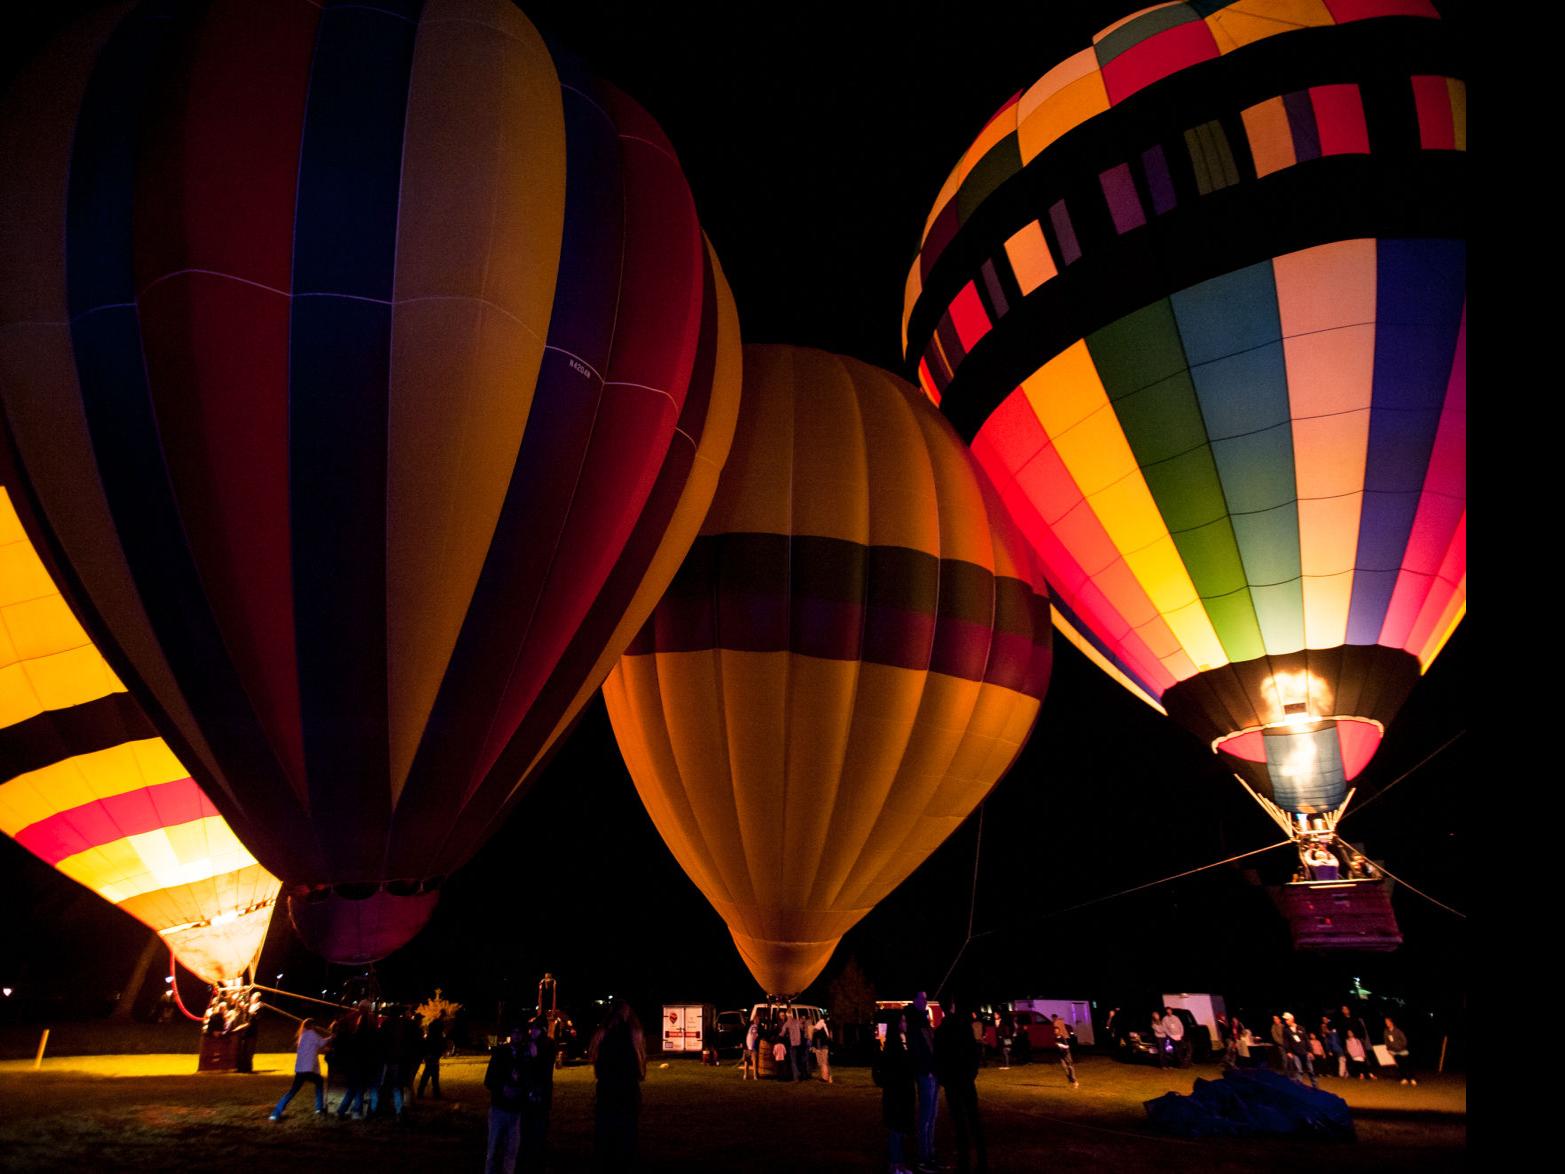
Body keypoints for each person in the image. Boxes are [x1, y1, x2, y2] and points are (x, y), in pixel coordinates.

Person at [589, 1000, 646, 1171]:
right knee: (624, 1133)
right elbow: (638, 1067)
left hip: (610, 1090)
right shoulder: (630, 1033)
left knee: (608, 1132)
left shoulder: (605, 1033)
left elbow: (597, 1062)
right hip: (622, 1090)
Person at [934, 1000, 987, 1174]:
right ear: (953, 1008)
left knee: (959, 1122)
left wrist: (944, 1079)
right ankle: (981, 1158)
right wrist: (971, 1074)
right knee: (973, 1119)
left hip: (953, 1083)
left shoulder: (941, 1031)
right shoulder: (963, 1028)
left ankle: (964, 1159)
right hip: (964, 1081)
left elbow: (938, 1059)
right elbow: (974, 1052)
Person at [874, 1013, 916, 1174]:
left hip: (902, 1093)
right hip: (895, 1095)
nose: (906, 1024)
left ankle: (900, 1163)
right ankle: (894, 1163)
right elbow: (889, 1071)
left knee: (900, 1130)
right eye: (903, 1021)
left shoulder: (902, 1042)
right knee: (895, 1130)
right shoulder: (892, 1046)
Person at [485, 1025, 527, 1174]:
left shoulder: (525, 1055)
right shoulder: (500, 1054)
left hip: (515, 1110)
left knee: (511, 1150)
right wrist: (502, 1088)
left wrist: (520, 1090)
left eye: (519, 1033)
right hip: (499, 1108)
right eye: (514, 1032)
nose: (517, 1036)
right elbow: (488, 1080)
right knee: (493, 1149)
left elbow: (528, 1080)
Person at [270, 1018, 329, 1121]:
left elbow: (316, 1046)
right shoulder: (312, 1034)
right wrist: (332, 1037)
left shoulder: (303, 1036)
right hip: (308, 1070)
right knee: (319, 1082)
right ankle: (319, 1108)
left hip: (300, 1069)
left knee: (293, 1091)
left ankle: (276, 1113)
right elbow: (321, 1043)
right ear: (312, 1026)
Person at [519, 1016, 558, 1171]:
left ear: (541, 1029)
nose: (532, 1031)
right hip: (528, 1091)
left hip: (541, 1091)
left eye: (535, 1028)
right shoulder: (530, 1043)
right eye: (531, 1028)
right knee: (527, 1124)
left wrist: (536, 1057)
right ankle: (527, 1153)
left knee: (539, 1124)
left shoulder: (547, 1044)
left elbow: (544, 1070)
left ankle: (538, 1156)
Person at [907, 992, 939, 1173]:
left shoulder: (924, 1022)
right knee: (926, 1118)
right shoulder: (915, 1024)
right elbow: (917, 1051)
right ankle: (923, 1158)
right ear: (915, 1001)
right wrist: (926, 1070)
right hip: (925, 1075)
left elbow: (931, 1046)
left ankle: (930, 1155)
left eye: (926, 998)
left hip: (933, 1074)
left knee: (932, 1117)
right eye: (922, 998)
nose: (925, 1001)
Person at [417, 1012, 447, 1100]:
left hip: (431, 1055)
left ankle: (430, 1092)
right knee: (431, 1074)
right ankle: (432, 1093)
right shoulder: (436, 1035)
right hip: (432, 1055)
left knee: (431, 1073)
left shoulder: (432, 1034)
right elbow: (437, 1045)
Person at [1281, 1013, 1316, 1088]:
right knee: (1299, 1071)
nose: (1286, 1021)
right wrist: (1288, 1051)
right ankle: (1299, 1088)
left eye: (1287, 1019)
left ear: (1292, 1019)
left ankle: (1315, 1087)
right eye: (1285, 1020)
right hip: (1295, 1053)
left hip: (1305, 1052)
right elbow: (1286, 1042)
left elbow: (1307, 1040)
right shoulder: (1286, 1030)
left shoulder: (1301, 1028)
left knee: (1311, 1071)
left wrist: (1310, 1051)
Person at [1384, 1017, 1416, 1085]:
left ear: (1391, 1022)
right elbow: (1386, 1041)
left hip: (1402, 1051)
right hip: (1394, 1052)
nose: (1386, 1023)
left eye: (1387, 1022)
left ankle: (1412, 1078)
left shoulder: (1398, 1031)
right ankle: (1404, 1078)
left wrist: (1401, 1047)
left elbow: (1404, 1040)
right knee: (1400, 1066)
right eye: (1386, 1022)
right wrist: (1388, 1049)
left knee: (1407, 1065)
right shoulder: (1386, 1031)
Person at [1051, 1015, 1079, 1087]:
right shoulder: (1054, 1038)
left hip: (1066, 1054)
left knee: (1070, 1067)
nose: (1056, 1032)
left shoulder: (1062, 1038)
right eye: (1055, 1031)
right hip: (1061, 1055)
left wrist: (1060, 1045)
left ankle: (1075, 1081)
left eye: (1057, 1031)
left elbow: (1067, 1046)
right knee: (1064, 1068)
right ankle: (1070, 1079)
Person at [782, 1009, 808, 1082]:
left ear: (787, 1014)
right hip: (799, 1043)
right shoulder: (797, 1021)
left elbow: (782, 1033)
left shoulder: (787, 1023)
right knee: (798, 1060)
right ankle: (802, 1074)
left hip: (792, 1044)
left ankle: (796, 1077)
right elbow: (802, 1028)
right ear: (792, 1014)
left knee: (793, 1061)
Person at [812, 1013, 833, 1084]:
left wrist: (814, 1046)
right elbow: (829, 1036)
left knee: (823, 1062)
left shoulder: (820, 1024)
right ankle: (828, 1077)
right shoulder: (827, 1025)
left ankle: (825, 1078)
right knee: (825, 1062)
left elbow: (815, 1033)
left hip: (820, 1046)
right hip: (825, 1046)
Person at [742, 1012, 760, 1080]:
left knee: (749, 1061)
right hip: (750, 1047)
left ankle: (747, 1075)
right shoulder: (754, 1026)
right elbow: (754, 1035)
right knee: (751, 1061)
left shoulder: (750, 1026)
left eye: (758, 1020)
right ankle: (750, 1075)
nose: (758, 1021)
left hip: (749, 1046)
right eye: (757, 1020)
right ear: (754, 1020)